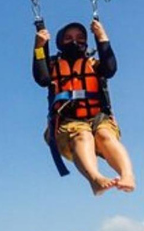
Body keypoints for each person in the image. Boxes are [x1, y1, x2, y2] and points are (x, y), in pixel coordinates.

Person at [32, 20, 135, 195]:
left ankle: (127, 175)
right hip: (67, 123)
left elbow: (110, 68)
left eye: (80, 38)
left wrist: (102, 37)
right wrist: (39, 46)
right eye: (69, 38)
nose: (75, 41)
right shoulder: (53, 65)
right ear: (60, 43)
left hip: (98, 118)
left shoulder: (93, 64)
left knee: (105, 135)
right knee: (83, 136)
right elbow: (42, 78)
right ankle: (95, 179)